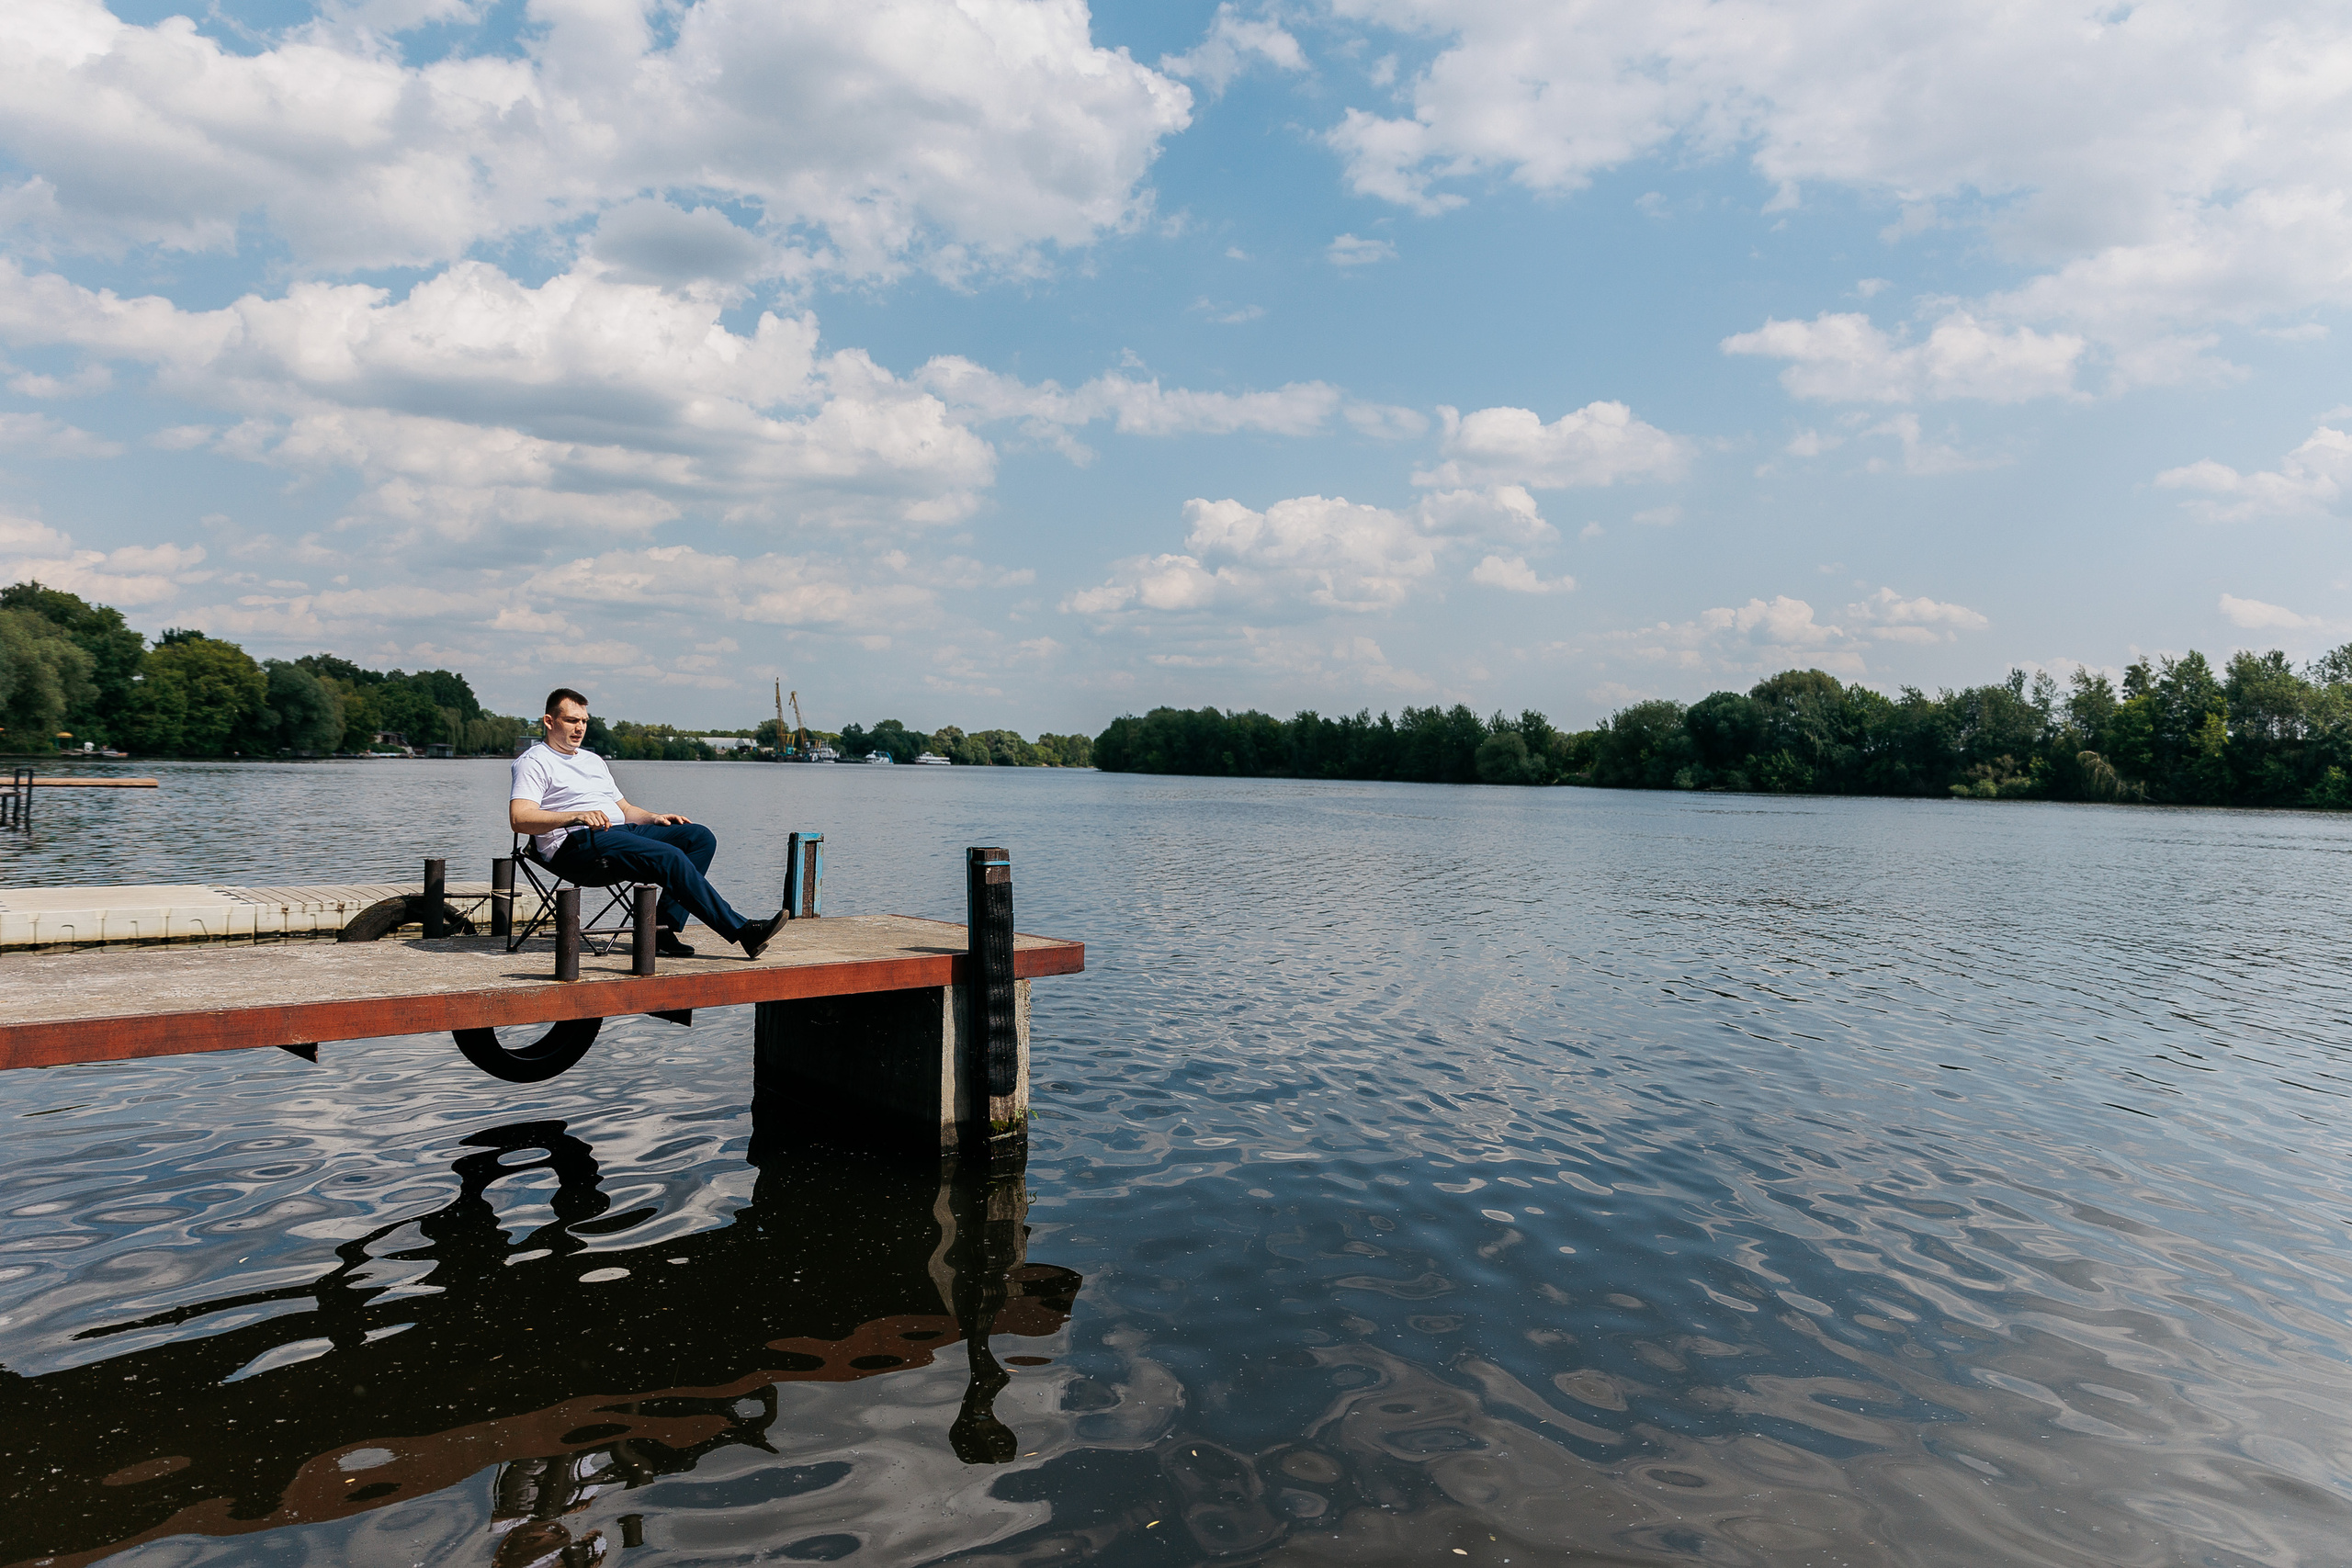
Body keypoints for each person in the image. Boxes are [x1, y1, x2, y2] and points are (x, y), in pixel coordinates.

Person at [509, 688, 787, 959]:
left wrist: (654, 818)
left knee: (699, 838)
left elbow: (626, 809)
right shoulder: (534, 762)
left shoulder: (593, 761)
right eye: (571, 720)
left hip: (617, 834)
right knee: (669, 857)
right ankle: (741, 930)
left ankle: (661, 930)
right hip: (574, 845)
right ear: (549, 721)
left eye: (584, 721)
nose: (580, 727)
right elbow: (519, 819)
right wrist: (575, 815)